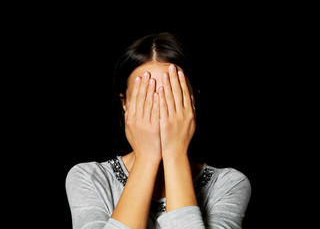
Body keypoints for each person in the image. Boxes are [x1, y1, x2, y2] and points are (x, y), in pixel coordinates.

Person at [65, 32, 251, 229]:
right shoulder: (89, 177)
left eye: (173, 93)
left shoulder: (229, 184)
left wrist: (175, 153)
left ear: (192, 102)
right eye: (144, 96)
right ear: (125, 104)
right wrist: (146, 157)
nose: (160, 107)